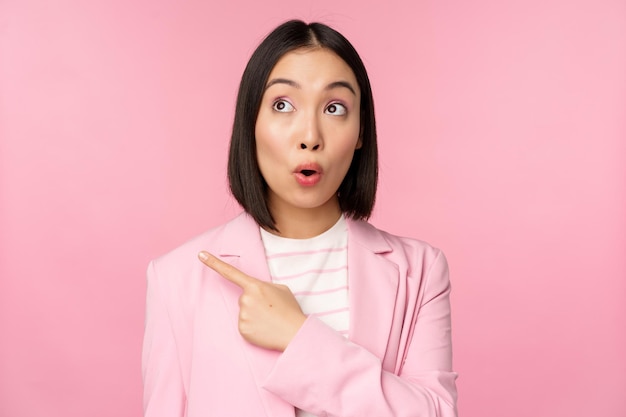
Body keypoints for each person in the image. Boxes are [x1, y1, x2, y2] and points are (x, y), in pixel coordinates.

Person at [142, 19, 458, 417]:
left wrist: (299, 338)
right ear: (250, 122)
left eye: (334, 108)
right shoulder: (176, 279)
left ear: (361, 131)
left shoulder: (421, 270)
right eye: (282, 105)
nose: (310, 135)